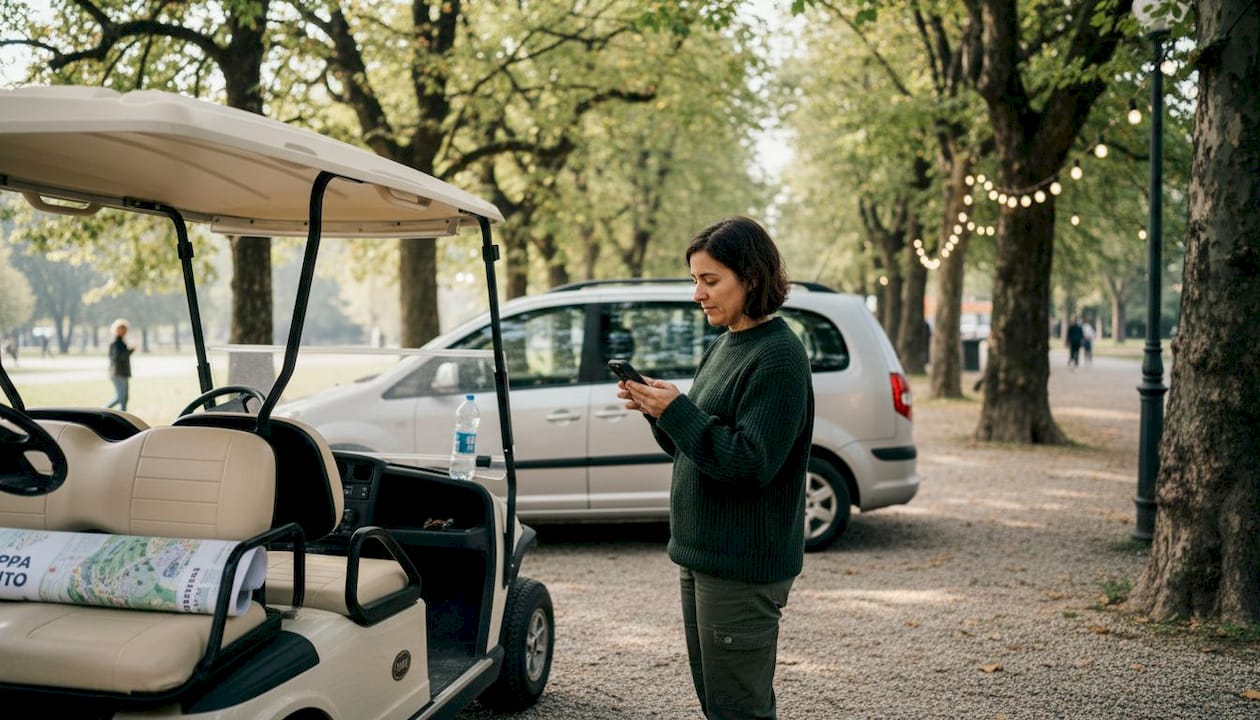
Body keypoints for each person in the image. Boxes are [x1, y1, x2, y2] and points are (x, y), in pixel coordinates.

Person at [617, 216, 813, 720]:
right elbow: (695, 446)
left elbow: (750, 464)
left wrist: (679, 412)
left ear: (750, 278)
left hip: (742, 566)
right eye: (694, 280)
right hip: (702, 554)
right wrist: (658, 410)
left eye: (710, 281)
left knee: (738, 709)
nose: (697, 295)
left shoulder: (779, 358)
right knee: (718, 702)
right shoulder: (724, 343)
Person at [105, 318, 136, 411]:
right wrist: (130, 350)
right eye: (122, 329)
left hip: (122, 373)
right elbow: (119, 357)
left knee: (124, 398)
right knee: (120, 398)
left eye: (125, 330)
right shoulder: (116, 343)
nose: (124, 332)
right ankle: (103, 411)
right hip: (118, 373)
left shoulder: (121, 342)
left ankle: (123, 414)